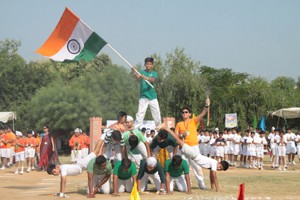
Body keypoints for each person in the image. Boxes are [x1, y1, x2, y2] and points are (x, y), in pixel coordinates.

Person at [157, 124, 229, 192]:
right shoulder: (214, 163)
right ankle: (166, 129)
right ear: (219, 162)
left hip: (192, 156)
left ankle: (165, 134)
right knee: (178, 140)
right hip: (194, 154)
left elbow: (211, 176)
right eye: (220, 167)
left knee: (178, 141)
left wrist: (212, 187)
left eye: (220, 169)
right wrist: (217, 189)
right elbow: (214, 176)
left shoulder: (213, 164)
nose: (219, 168)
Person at [175, 98, 210, 189]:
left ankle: (201, 183)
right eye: (183, 112)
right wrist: (182, 135)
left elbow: (203, 113)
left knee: (197, 166)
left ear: (189, 114)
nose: (184, 113)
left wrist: (206, 105)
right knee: (184, 166)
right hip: (184, 147)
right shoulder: (179, 124)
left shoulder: (193, 121)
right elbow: (176, 136)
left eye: (186, 112)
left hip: (194, 146)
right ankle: (187, 184)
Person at [133, 57, 161, 129]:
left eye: (150, 64)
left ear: (152, 65)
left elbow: (153, 80)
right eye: (147, 64)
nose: (148, 65)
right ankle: (136, 128)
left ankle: (159, 128)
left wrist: (145, 78)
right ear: (145, 64)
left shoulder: (154, 73)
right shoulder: (141, 72)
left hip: (152, 97)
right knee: (140, 113)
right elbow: (136, 76)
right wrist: (135, 72)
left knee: (156, 113)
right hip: (143, 96)